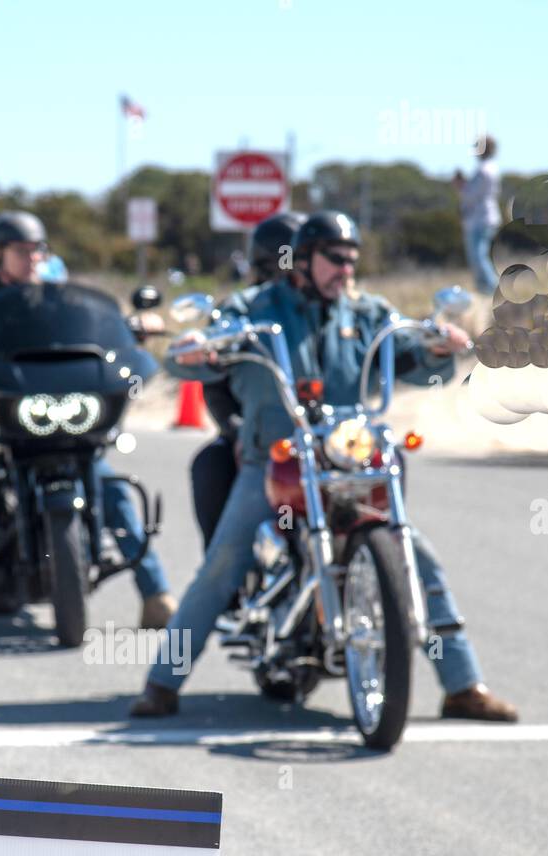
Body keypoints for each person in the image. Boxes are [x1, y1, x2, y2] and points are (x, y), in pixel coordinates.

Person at [131, 210, 518, 722]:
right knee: (225, 562)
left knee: (415, 555)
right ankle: (163, 683)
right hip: (275, 462)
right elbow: (198, 352)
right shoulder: (255, 309)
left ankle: (462, 685)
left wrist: (436, 345)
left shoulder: (365, 313)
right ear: (303, 259)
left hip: (347, 459)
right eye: (335, 260)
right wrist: (198, 348)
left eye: (352, 261)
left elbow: (413, 356)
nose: (346, 271)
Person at [0, 210, 176, 636]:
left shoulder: (55, 294)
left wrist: (132, 328)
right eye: (22, 251)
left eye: (37, 249)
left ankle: (157, 596)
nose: (33, 258)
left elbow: (90, 329)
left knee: (113, 492)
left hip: (55, 416)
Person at [191, 211, 307, 551]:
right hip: (258, 439)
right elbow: (215, 383)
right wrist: (236, 429)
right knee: (210, 466)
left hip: (323, 438)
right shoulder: (241, 312)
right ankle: (225, 582)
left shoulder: (327, 309)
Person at [454, 135, 502, 296]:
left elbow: (470, 195)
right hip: (482, 218)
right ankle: (485, 291)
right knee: (478, 257)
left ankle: (492, 289)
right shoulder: (489, 168)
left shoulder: (484, 171)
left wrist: (461, 186)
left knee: (478, 257)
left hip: (481, 219)